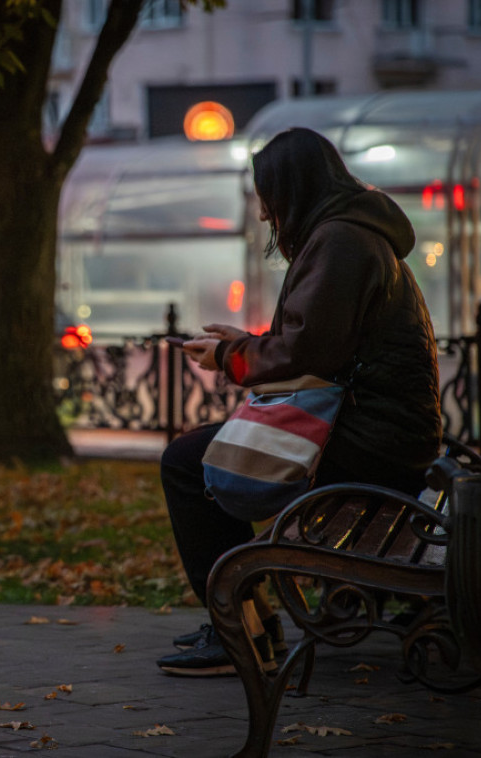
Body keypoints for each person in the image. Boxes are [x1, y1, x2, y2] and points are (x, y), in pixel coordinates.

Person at [157, 127, 442, 676]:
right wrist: (240, 345)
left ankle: (238, 631)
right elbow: (317, 342)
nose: (265, 215)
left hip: (369, 441)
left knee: (187, 465)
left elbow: (309, 348)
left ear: (292, 188)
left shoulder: (341, 241)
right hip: (379, 432)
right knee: (200, 458)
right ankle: (245, 620)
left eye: (267, 197)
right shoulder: (351, 235)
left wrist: (229, 356)